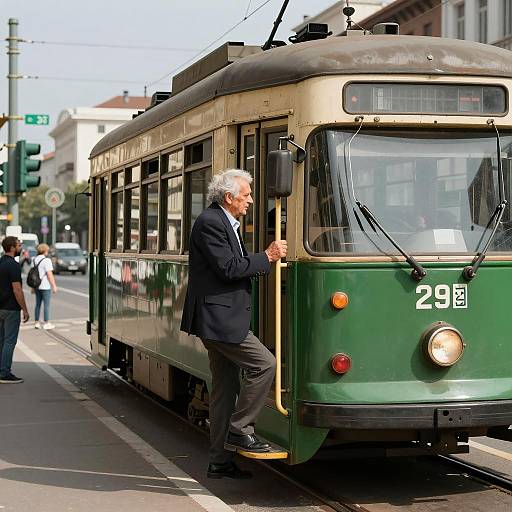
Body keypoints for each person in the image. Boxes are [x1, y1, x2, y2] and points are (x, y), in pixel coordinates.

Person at [181, 169, 287, 480]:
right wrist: (267, 256)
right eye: (246, 196)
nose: (251, 201)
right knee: (265, 364)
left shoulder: (224, 222)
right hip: (219, 320)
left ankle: (219, 461)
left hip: (221, 317)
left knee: (224, 390)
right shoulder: (211, 223)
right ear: (229, 197)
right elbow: (229, 268)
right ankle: (240, 430)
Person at [0, 236, 29, 383]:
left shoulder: (0, 262)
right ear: (12, 247)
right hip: (11, 308)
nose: (20, 248)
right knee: (9, 342)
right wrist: (24, 309)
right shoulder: (13, 265)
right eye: (18, 245)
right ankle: (4, 373)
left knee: (1, 340)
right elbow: (17, 289)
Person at [32, 243, 57, 330]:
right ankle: (46, 322)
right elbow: (49, 274)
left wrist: (32, 287)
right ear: (45, 251)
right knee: (46, 305)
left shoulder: (34, 259)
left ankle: (36, 322)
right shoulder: (47, 261)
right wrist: (54, 286)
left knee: (37, 304)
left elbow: (33, 275)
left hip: (36, 286)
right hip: (45, 286)